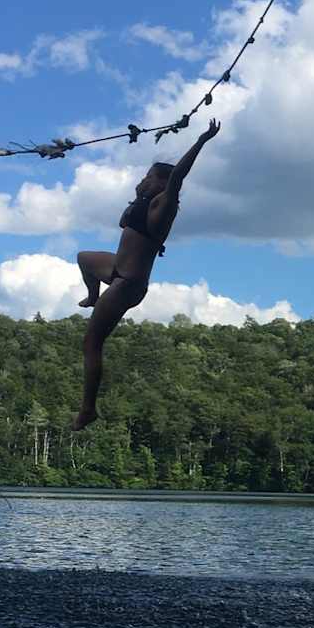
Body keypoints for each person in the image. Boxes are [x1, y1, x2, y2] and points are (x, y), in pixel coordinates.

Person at [73, 117, 221, 430]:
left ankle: (88, 408)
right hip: (116, 269)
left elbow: (178, 176)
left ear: (161, 184)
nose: (142, 180)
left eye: (148, 177)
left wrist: (202, 140)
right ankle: (92, 295)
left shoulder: (162, 204)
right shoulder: (142, 203)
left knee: (91, 343)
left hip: (128, 284)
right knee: (84, 258)